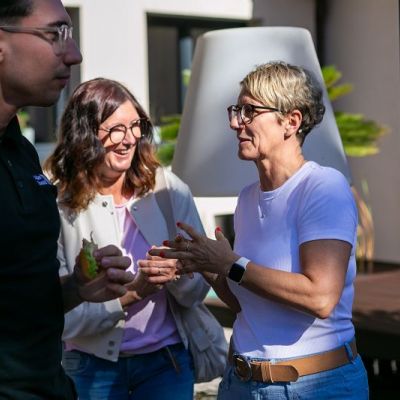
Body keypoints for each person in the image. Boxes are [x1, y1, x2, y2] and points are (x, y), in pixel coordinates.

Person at [150, 61, 369, 399]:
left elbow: (321, 297)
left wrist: (229, 263)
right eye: (236, 111)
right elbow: (245, 305)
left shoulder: (323, 187)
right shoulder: (247, 198)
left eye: (249, 111)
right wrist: (205, 264)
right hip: (241, 382)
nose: (235, 123)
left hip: (312, 387)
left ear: (291, 121)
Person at [44, 77, 211, 400]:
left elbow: (197, 291)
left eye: (136, 126)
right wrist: (134, 293)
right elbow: (58, 315)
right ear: (85, 134)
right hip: (89, 367)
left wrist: (177, 274)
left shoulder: (168, 189)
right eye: (116, 129)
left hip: (167, 364)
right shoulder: (55, 199)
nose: (130, 139)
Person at [0, 1, 134, 399]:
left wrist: (78, 287)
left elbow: (21, 299)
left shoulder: (20, 151)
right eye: (55, 34)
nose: (74, 54)